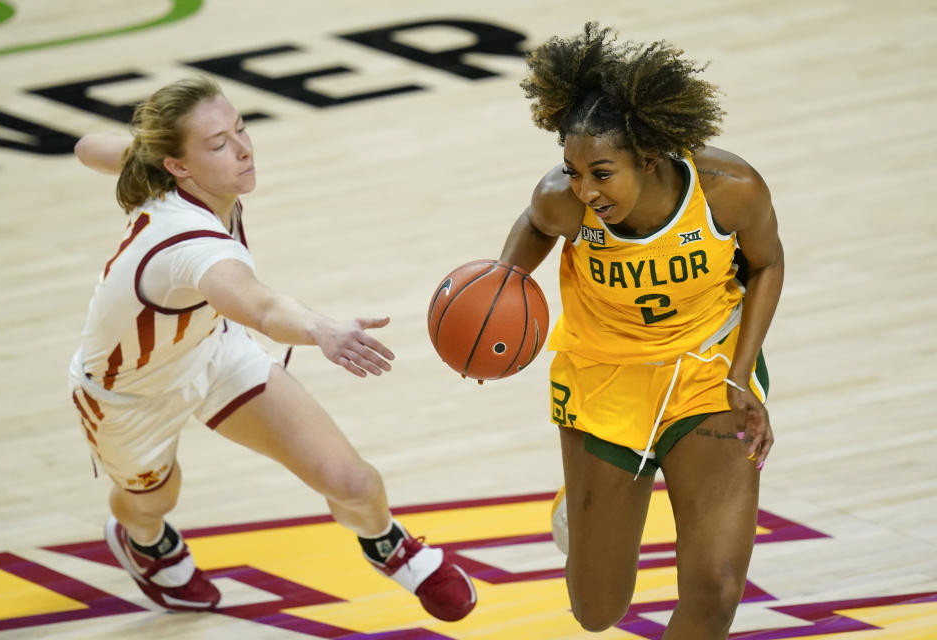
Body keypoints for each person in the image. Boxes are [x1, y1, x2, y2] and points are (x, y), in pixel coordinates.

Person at [68, 76, 476, 621]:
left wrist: (138, 152)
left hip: (210, 349)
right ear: (179, 166)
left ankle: (388, 543)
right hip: (128, 394)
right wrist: (321, 329)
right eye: (217, 144)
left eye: (240, 129)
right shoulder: (188, 244)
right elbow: (260, 306)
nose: (242, 149)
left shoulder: (167, 175)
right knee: (154, 503)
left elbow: (84, 148)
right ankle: (141, 538)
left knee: (351, 481)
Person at [497, 24, 783, 637]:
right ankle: (573, 503)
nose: (586, 190)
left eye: (601, 172)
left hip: (705, 372)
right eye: (573, 171)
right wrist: (499, 286)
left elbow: (767, 263)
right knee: (598, 611)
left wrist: (741, 374)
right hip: (605, 380)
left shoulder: (729, 193)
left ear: (648, 157)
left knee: (717, 590)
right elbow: (535, 223)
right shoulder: (563, 202)